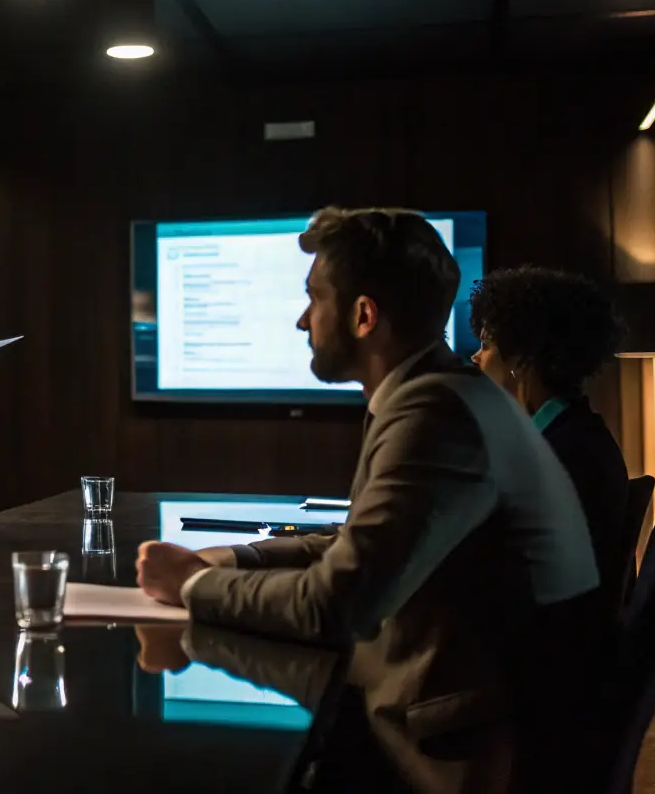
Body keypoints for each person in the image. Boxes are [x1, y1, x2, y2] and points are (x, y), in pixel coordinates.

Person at [135, 208, 601, 779]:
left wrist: (193, 584)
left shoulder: (434, 413)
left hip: (465, 750)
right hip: (479, 719)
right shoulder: (445, 393)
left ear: (363, 315)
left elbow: (334, 606)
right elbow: (363, 541)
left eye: (314, 297)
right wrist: (238, 556)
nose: (302, 321)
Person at [470, 266, 629, 604]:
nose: (475, 357)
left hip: (535, 649)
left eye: (486, 344)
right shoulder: (574, 436)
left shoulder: (567, 456)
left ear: (523, 358)